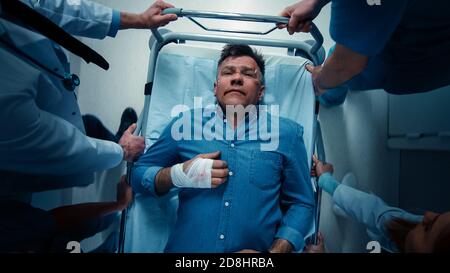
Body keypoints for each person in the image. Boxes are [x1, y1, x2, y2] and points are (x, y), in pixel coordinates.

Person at [131, 44, 315, 253]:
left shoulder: (287, 134)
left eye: (248, 73)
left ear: (261, 92)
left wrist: (274, 253)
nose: (237, 78)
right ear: (215, 88)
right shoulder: (184, 125)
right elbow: (137, 176)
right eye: (228, 72)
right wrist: (177, 174)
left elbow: (302, 204)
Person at [0, 0, 177, 190]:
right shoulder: (7, 99)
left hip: (39, 108)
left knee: (91, 124)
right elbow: (61, 146)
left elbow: (44, 6)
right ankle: (120, 146)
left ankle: (118, 139)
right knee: (86, 149)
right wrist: (122, 151)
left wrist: (138, 20)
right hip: (30, 150)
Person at [279, 0, 450, 106]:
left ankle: (325, 97)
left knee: (346, 69)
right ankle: (330, 95)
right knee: (341, 59)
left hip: (421, 50)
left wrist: (318, 83)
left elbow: (344, 66)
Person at [311, 156, 450, 253]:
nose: (427, 215)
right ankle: (344, 203)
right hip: (389, 235)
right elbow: (377, 213)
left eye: (428, 230)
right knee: (379, 218)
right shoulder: (417, 225)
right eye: (438, 216)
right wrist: (327, 181)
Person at [0, 176, 133, 252]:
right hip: (51, 241)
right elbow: (56, 221)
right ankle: (115, 238)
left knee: (86, 225)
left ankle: (115, 224)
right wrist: (118, 205)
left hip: (49, 238)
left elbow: (55, 222)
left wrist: (118, 205)